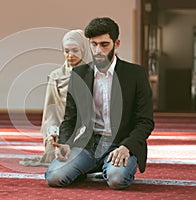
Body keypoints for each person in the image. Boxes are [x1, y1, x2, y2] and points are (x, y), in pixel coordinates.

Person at [45, 17, 154, 190]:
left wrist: (127, 146)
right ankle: (91, 165)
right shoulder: (79, 74)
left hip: (121, 143)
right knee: (54, 177)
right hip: (88, 144)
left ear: (116, 43)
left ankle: (104, 167)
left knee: (117, 180)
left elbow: (145, 121)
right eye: (93, 44)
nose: (98, 50)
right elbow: (69, 119)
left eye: (104, 44)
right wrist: (65, 143)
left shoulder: (135, 74)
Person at [19, 29, 92, 167]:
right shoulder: (56, 76)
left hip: (88, 128)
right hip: (63, 126)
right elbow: (51, 111)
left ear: (84, 49)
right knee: (53, 151)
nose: (70, 55)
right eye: (66, 51)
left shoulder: (94, 74)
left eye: (75, 50)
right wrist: (54, 132)